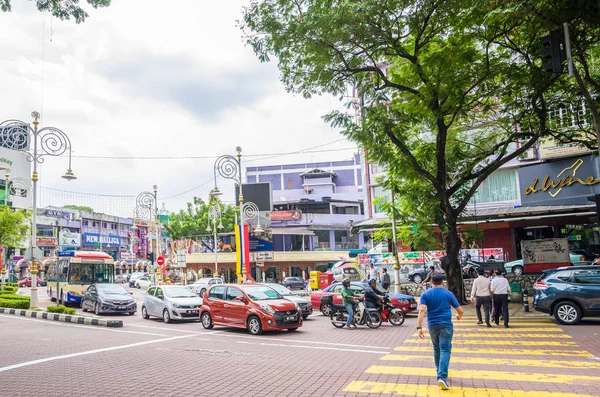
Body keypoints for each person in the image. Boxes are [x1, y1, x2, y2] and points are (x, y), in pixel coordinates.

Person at [417, 272, 463, 390]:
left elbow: (422, 310)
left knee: (437, 348)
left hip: (432, 325)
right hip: (446, 325)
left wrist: (419, 327)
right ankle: (442, 376)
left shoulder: (425, 294)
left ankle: (440, 373)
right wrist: (458, 316)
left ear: (431, 282)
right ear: (443, 281)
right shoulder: (448, 294)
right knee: (445, 350)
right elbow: (460, 310)